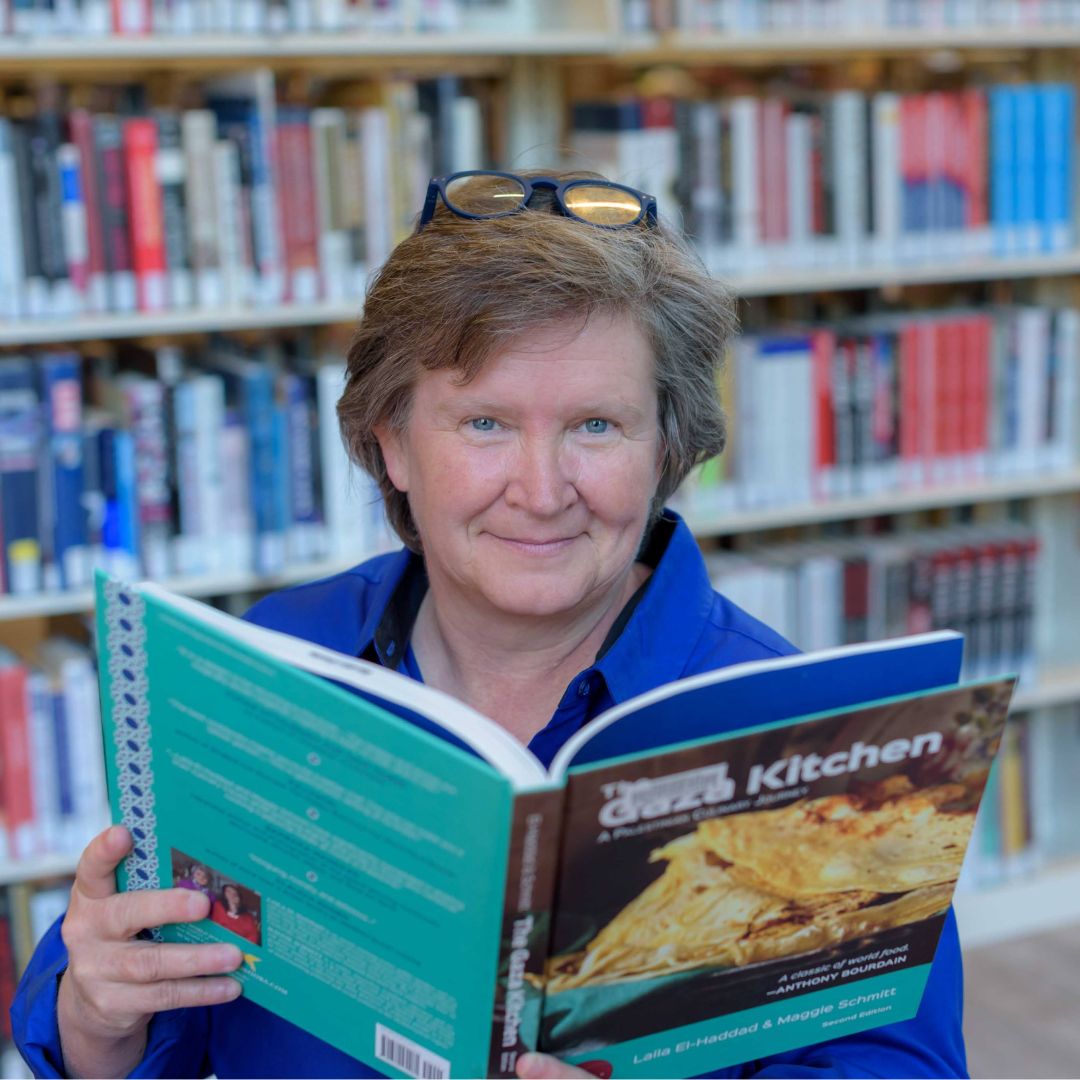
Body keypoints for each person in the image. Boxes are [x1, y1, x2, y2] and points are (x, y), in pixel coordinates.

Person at [12, 170, 967, 1079]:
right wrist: (96, 1014)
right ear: (389, 442)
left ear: (668, 443)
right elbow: (145, 1023)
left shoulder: (819, 742)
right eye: (484, 425)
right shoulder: (267, 664)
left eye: (597, 425)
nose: (542, 491)